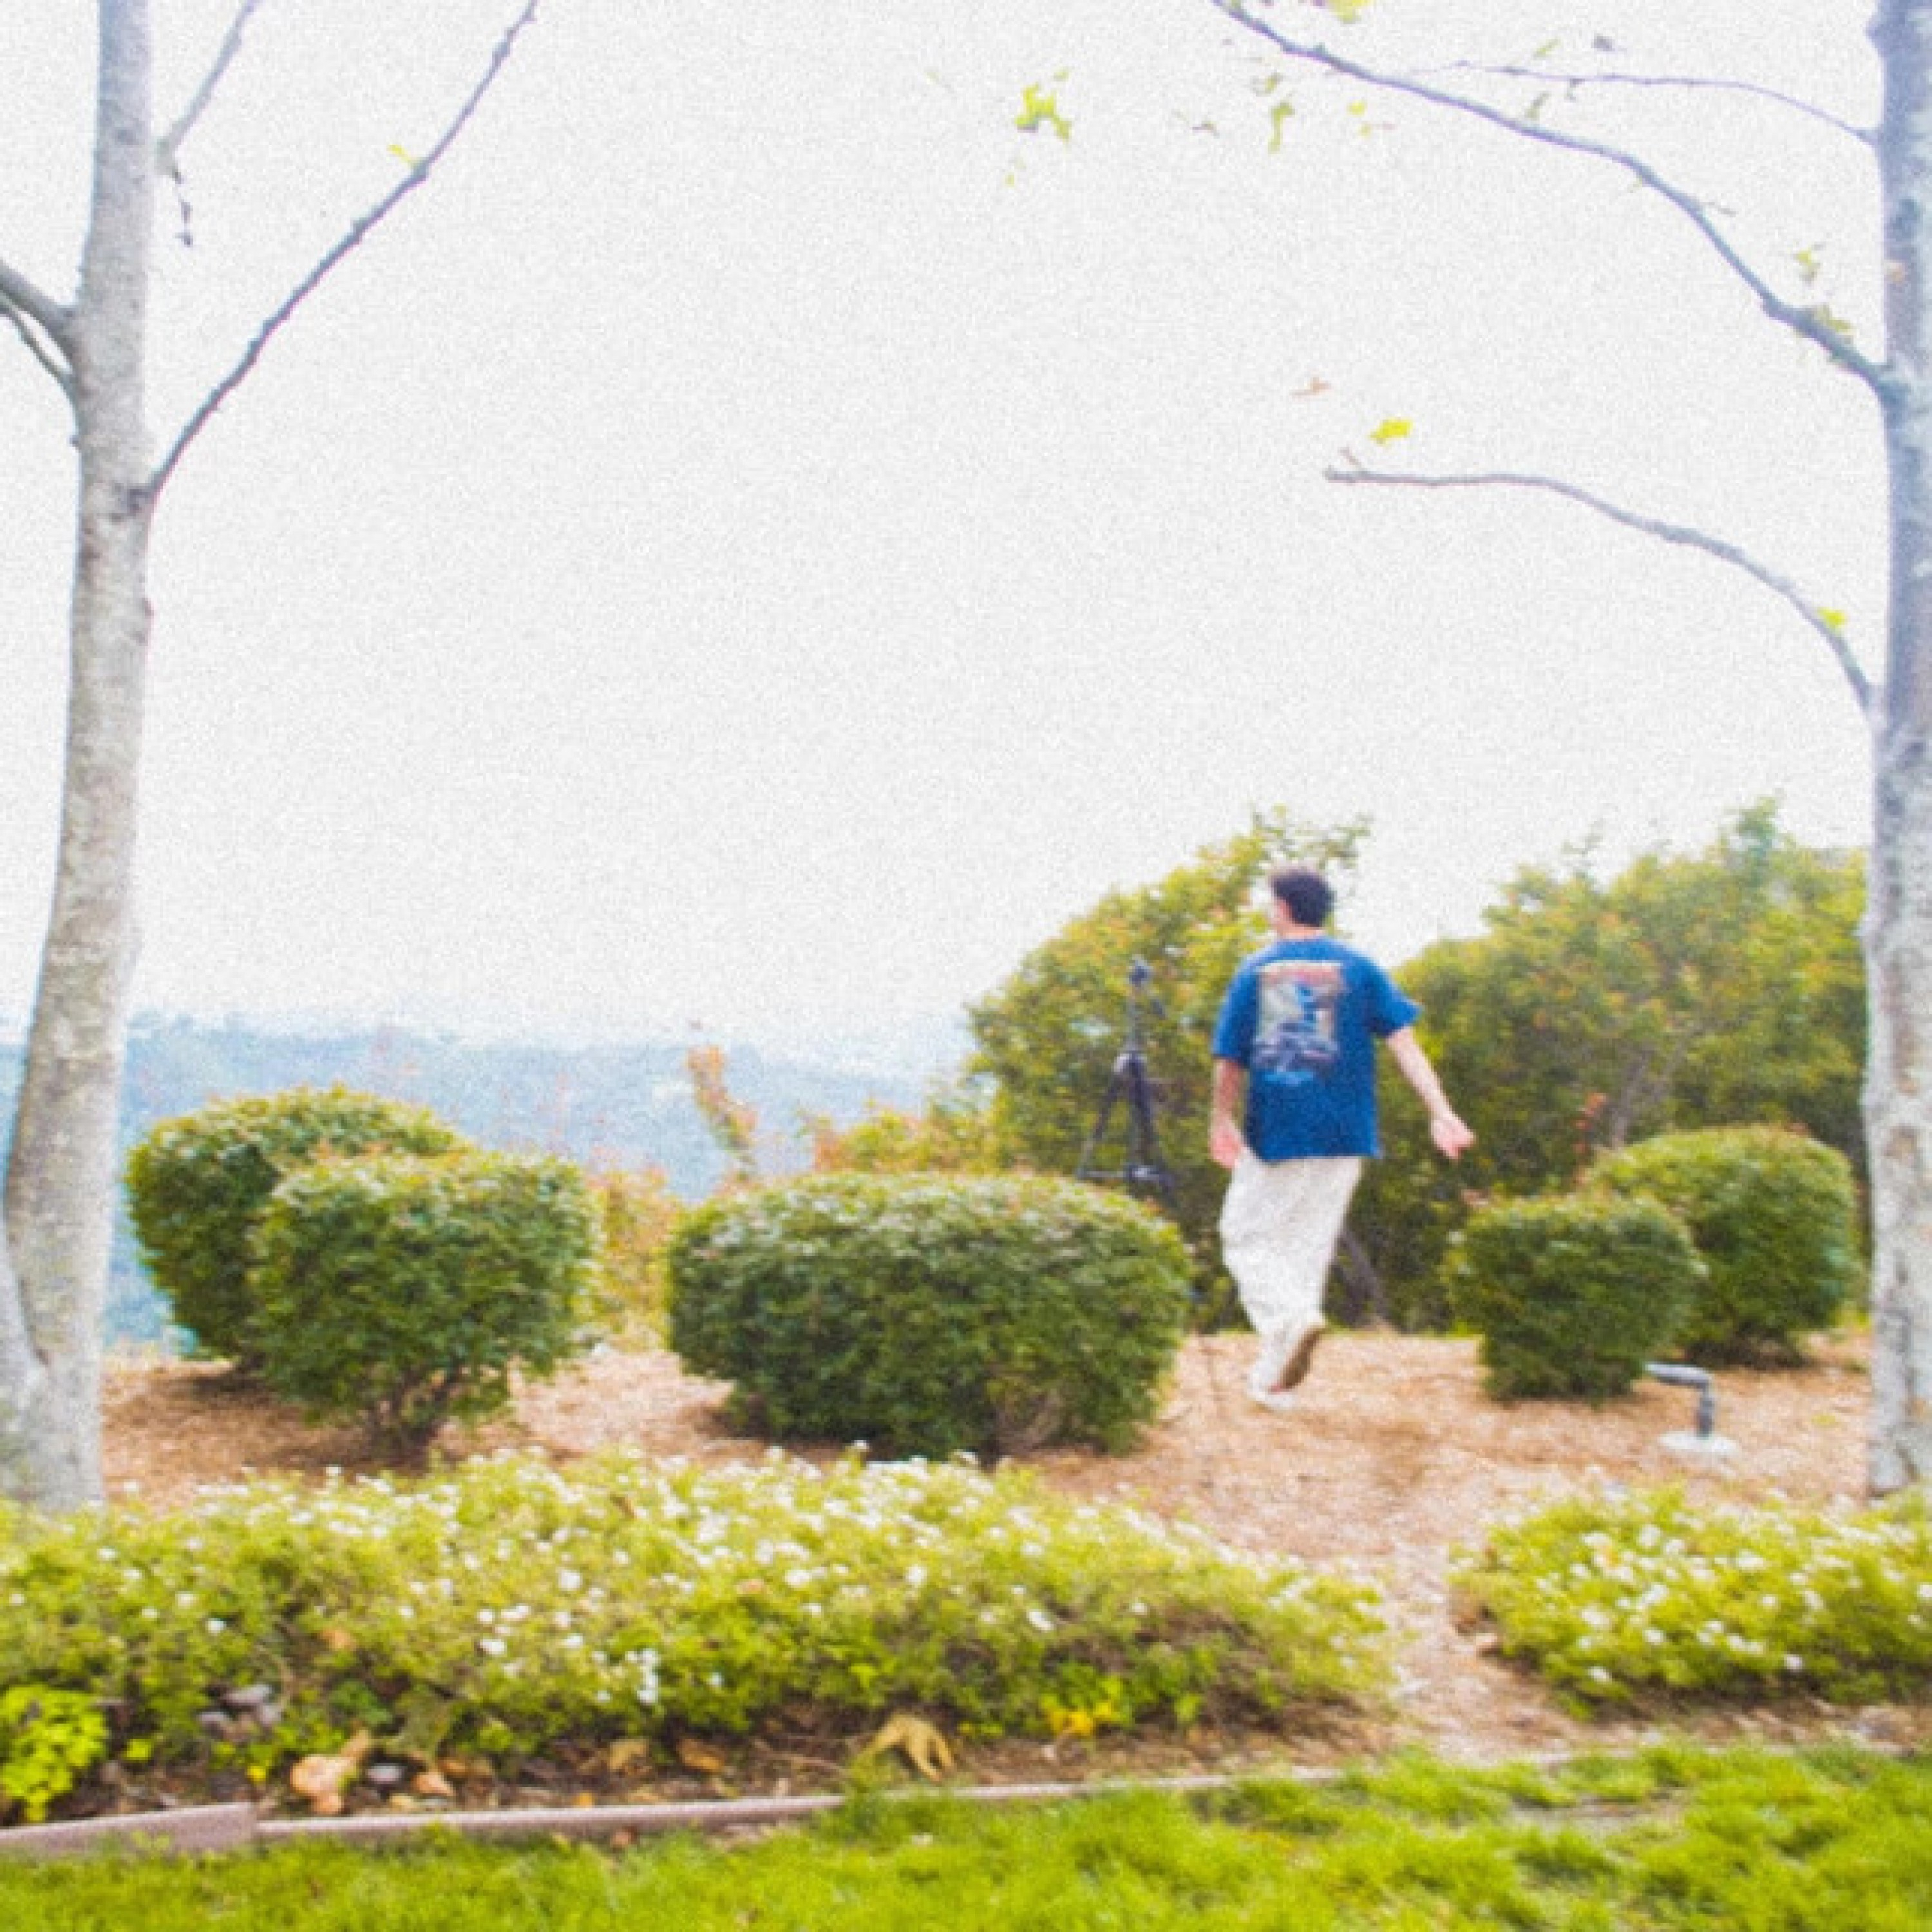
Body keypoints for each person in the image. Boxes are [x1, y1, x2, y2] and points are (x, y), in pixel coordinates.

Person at [1209, 865, 1473, 1412]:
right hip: (1346, 1131)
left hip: (1280, 1129)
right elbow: (1405, 1045)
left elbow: (1229, 1060)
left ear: (1283, 907)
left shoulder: (1256, 970)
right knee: (1305, 1253)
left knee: (1244, 1236)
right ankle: (1274, 1383)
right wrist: (1441, 1112)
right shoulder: (1361, 968)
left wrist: (1220, 1120)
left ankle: (1290, 1322)